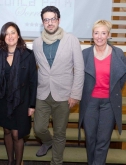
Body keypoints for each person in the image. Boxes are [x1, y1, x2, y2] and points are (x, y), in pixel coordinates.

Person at [32, 6, 84, 165]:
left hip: (64, 94)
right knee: (39, 129)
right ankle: (48, 142)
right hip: (42, 93)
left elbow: (80, 68)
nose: (50, 23)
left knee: (60, 133)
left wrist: (75, 94)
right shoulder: (36, 42)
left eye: (52, 19)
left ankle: (56, 161)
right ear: (43, 22)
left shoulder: (71, 39)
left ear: (58, 20)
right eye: (46, 20)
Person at [0, 22, 37, 165]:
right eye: (7, 33)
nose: (10, 36)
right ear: (3, 37)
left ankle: (18, 162)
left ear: (18, 35)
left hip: (21, 101)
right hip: (2, 100)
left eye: (13, 32)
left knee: (17, 134)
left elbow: (33, 81)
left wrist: (32, 105)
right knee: (7, 132)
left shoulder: (28, 55)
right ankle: (10, 161)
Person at [79, 20, 126, 165]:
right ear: (92, 35)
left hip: (109, 104)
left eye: (103, 33)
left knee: (103, 140)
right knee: (91, 139)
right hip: (90, 103)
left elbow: (122, 78)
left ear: (109, 35)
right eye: (96, 33)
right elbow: (79, 78)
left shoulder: (118, 53)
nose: (99, 36)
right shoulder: (85, 54)